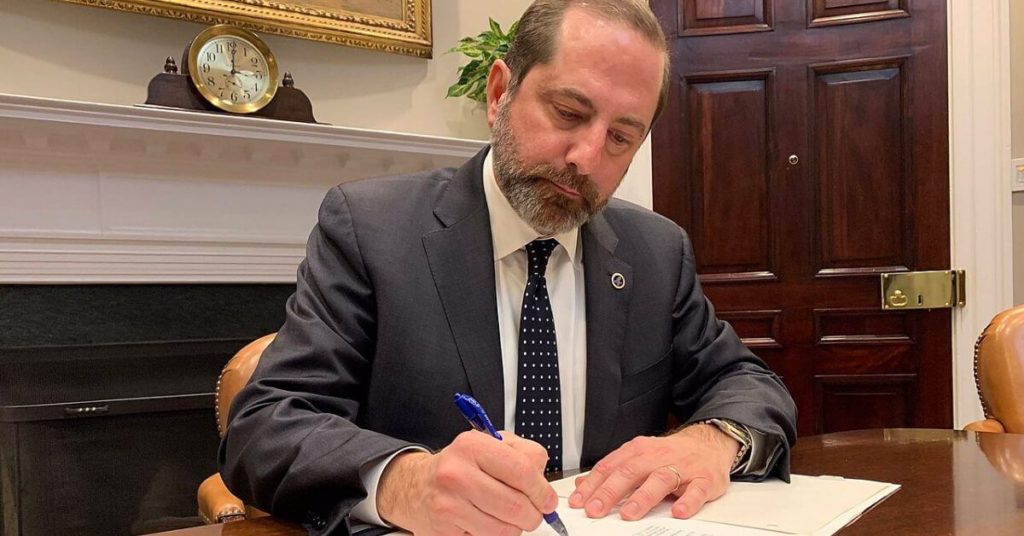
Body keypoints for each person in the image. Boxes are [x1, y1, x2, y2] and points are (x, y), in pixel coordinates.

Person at [219, 1, 797, 535]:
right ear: (499, 92)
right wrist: (402, 481)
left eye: (622, 137)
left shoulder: (655, 251)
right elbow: (267, 427)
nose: (586, 158)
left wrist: (715, 440)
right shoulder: (372, 229)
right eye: (569, 112)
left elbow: (747, 384)